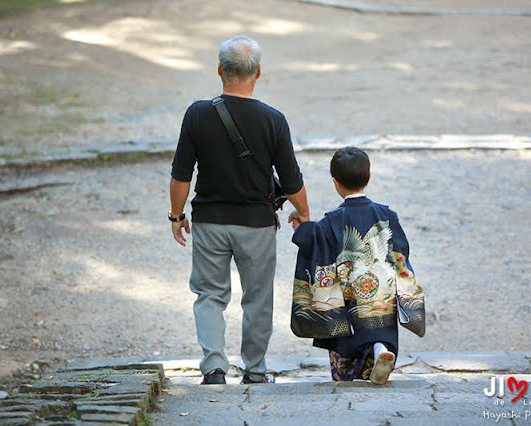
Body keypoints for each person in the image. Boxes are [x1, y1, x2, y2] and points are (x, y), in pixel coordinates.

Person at [169, 35, 310, 385]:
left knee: (209, 296)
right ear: (258, 72)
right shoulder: (273, 120)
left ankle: (214, 368)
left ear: (219, 70)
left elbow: (181, 174)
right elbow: (291, 179)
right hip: (257, 225)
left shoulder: (198, 114)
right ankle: (255, 371)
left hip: (210, 222)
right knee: (258, 298)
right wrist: (303, 212)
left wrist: (176, 215)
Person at [288, 147, 423, 384]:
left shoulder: (332, 221)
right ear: (368, 178)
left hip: (350, 296)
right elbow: (401, 250)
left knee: (348, 334)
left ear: (335, 182)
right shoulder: (387, 214)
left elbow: (314, 245)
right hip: (381, 292)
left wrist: (304, 226)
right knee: (380, 320)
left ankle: (350, 374)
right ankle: (381, 347)